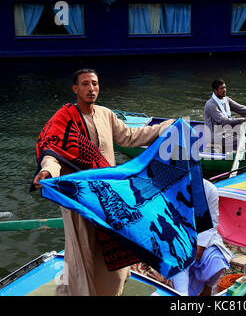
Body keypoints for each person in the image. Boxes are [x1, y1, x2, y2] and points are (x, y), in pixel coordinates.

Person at [32, 68, 174, 296]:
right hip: (78, 201)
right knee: (81, 254)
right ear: (75, 89)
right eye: (86, 84)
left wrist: (163, 128)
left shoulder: (106, 114)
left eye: (95, 84)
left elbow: (129, 136)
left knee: (115, 251)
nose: (91, 88)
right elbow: (52, 152)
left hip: (108, 199)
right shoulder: (65, 120)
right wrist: (47, 172)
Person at [170, 179, 233, 296]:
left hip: (202, 235)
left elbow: (212, 222)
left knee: (217, 260)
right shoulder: (169, 185)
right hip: (174, 235)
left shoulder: (209, 189)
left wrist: (201, 245)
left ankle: (207, 287)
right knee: (181, 259)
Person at [204, 79, 246, 154]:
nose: (224, 90)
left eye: (225, 87)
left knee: (245, 131)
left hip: (225, 131)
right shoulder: (210, 105)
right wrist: (243, 119)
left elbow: (241, 109)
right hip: (214, 135)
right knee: (240, 139)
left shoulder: (226, 100)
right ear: (215, 91)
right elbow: (223, 121)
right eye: (221, 88)